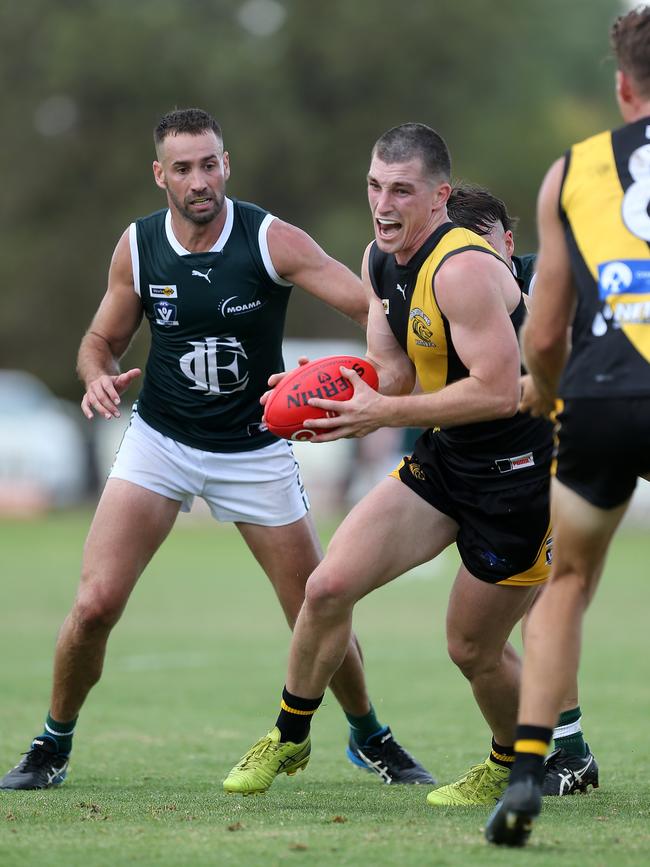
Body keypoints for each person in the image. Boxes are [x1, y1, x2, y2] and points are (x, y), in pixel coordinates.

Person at [0, 108, 434, 790]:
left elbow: (368, 305)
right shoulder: (139, 246)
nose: (199, 179)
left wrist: (387, 377)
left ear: (225, 165)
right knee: (94, 604)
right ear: (160, 176)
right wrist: (94, 376)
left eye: (209, 164)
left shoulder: (269, 239)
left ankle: (369, 734)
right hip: (161, 441)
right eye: (183, 168)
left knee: (318, 605)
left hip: (256, 450)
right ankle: (50, 745)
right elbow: (97, 340)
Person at [222, 122, 556, 806]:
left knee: (473, 649)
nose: (384, 203)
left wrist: (379, 414)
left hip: (519, 476)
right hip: (445, 458)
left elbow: (497, 389)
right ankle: (290, 734)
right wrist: (321, 393)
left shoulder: (463, 270)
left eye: (401, 189)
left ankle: (512, 761)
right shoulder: (380, 259)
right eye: (375, 184)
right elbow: (394, 375)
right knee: (326, 588)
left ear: (440, 196)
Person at [486, 6, 650, 846]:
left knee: (568, 584)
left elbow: (542, 332)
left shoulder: (574, 171)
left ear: (624, 86)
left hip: (605, 394)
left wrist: (548, 395)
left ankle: (525, 774)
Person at [447, 183, 599, 797]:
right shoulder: (450, 287)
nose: (474, 262)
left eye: (484, 247)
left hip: (590, 438)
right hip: (540, 465)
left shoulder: (547, 283)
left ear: (508, 243)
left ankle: (567, 751)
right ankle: (570, 751)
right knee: (544, 605)